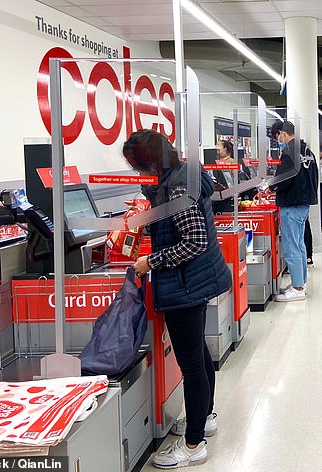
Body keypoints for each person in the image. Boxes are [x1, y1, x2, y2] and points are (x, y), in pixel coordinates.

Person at [125, 130, 232, 469]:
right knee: (198, 354)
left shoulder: (177, 187)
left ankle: (193, 444)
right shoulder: (179, 177)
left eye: (138, 166)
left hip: (185, 284)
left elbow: (194, 241)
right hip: (194, 281)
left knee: (191, 364)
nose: (137, 173)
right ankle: (205, 417)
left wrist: (150, 262)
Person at [269, 120, 318, 301]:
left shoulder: (289, 152)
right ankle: (301, 282)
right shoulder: (308, 152)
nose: (278, 140)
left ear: (283, 133)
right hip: (303, 203)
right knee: (299, 245)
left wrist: (269, 187)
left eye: (277, 137)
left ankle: (297, 288)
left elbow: (283, 179)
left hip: (291, 204)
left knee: (291, 247)